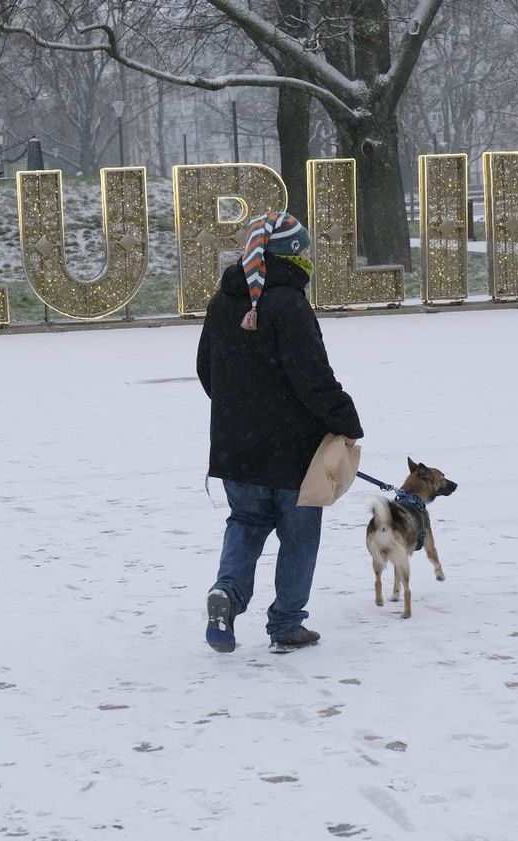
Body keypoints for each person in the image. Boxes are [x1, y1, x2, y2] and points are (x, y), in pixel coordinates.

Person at [196, 211, 363, 652]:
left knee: (246, 522)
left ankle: (227, 596)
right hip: (295, 455)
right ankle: (287, 624)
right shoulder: (289, 304)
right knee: (299, 535)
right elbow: (313, 379)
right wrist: (346, 422)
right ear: (292, 256)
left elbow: (206, 371)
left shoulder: (222, 302)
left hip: (237, 450)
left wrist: (240, 411)